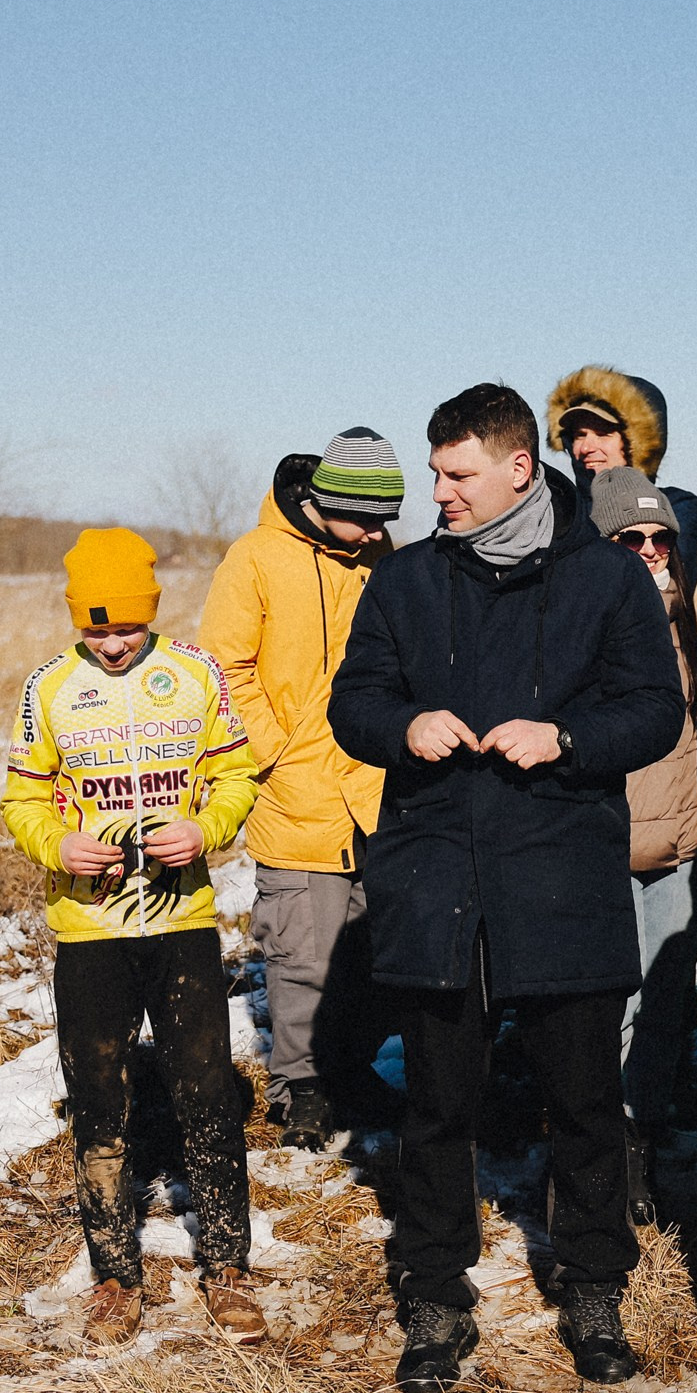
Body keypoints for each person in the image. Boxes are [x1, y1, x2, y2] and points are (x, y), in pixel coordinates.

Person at [329, 383, 685, 1393]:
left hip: (560, 871)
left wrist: (567, 738)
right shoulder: (404, 584)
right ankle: (436, 1293)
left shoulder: (605, 582)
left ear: (518, 468)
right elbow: (353, 699)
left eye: (456, 475)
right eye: (436, 474)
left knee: (583, 1098)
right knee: (438, 1105)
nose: (436, 492)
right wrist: (402, 727)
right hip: (438, 876)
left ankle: (594, 1286)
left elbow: (654, 711)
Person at [2, 528, 268, 1349]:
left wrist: (207, 831)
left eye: (125, 630)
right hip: (89, 932)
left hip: (183, 923)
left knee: (206, 1096)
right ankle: (116, 1277)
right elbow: (23, 801)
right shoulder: (46, 688)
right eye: (95, 630)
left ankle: (226, 1265)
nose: (112, 647)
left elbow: (235, 775)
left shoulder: (191, 674)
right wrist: (57, 845)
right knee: (99, 1106)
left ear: (151, 615)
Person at [199, 432, 401, 1150]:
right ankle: (300, 1089)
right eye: (367, 519)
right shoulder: (254, 559)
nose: (380, 533)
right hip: (295, 793)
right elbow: (222, 669)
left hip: (377, 792)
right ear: (326, 505)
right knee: (302, 954)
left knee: (377, 950)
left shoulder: (380, 559)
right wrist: (273, 751)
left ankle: (347, 1067)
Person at [589, 466, 697, 1222]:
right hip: (602, 843)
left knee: (665, 1002)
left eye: (657, 537)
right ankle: (605, 1150)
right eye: (628, 538)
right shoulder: (580, 622)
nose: (646, 550)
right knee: (611, 1008)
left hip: (675, 846)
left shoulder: (690, 627)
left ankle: (646, 1140)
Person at [545, 364, 697, 590]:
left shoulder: (677, 507)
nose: (587, 447)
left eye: (603, 433)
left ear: (637, 441)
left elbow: (672, 592)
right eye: (579, 435)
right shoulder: (555, 509)